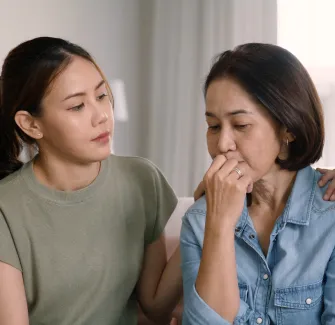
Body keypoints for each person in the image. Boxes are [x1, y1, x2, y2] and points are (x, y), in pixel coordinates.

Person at [0, 37, 183, 325]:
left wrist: (206, 220)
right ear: (31, 124)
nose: (101, 116)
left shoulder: (142, 180)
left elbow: (155, 307)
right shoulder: (6, 209)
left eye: (101, 96)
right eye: (77, 106)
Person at [180, 43, 335, 325]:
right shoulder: (200, 221)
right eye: (213, 126)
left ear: (288, 128)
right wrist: (220, 225)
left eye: (240, 125)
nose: (223, 144)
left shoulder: (330, 217)